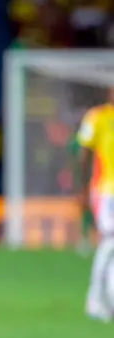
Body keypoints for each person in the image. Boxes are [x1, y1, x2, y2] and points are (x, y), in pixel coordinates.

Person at [77, 88, 114, 322]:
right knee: (110, 241)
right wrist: (82, 189)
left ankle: (106, 299)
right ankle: (94, 299)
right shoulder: (97, 117)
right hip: (106, 191)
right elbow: (84, 155)